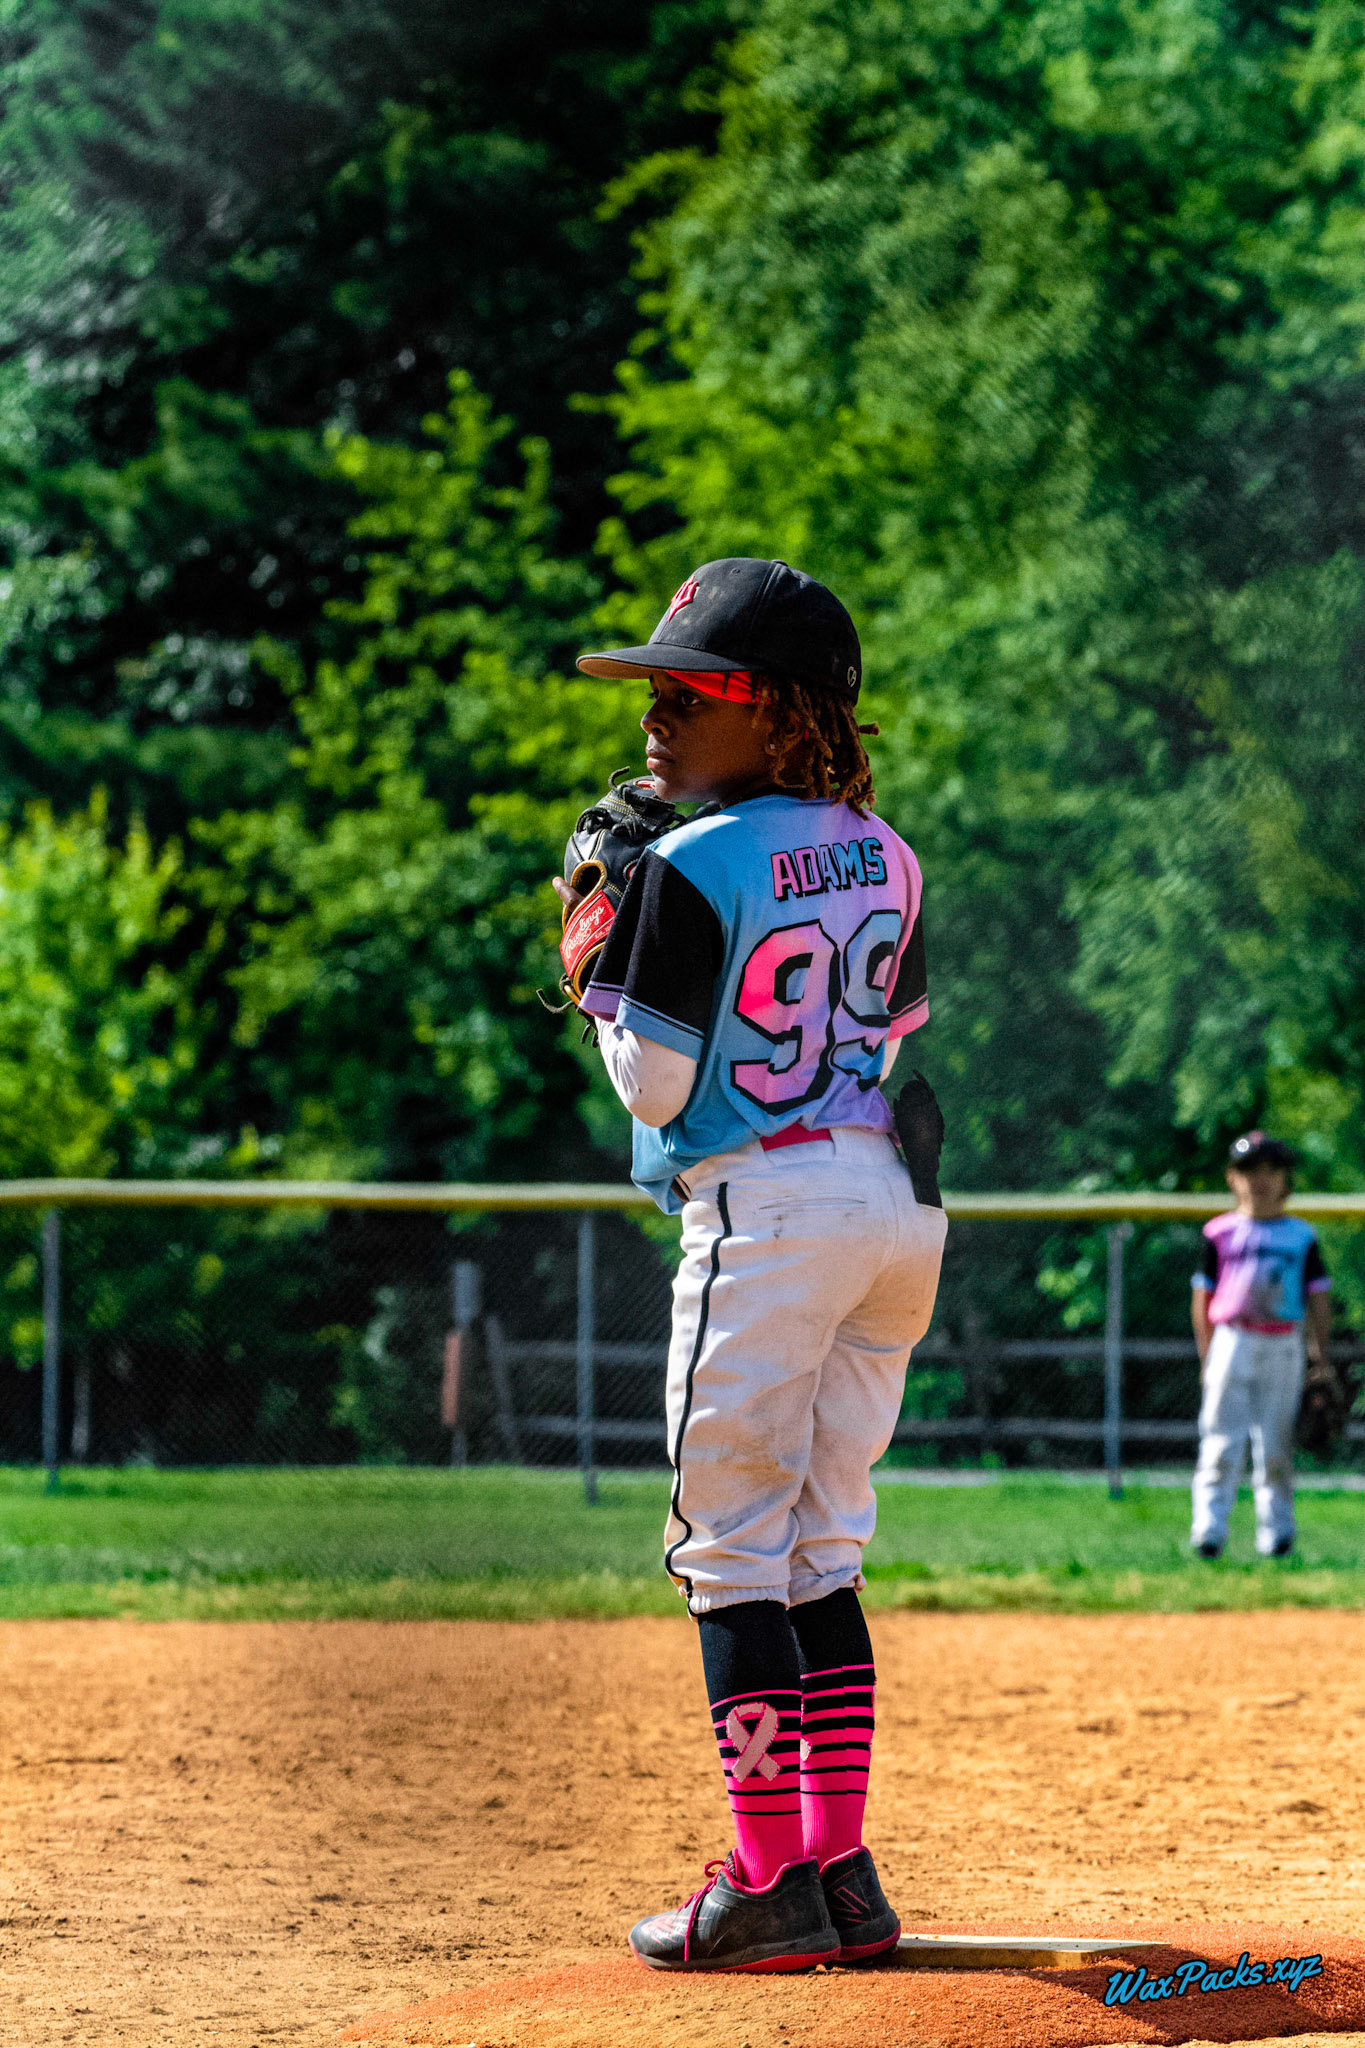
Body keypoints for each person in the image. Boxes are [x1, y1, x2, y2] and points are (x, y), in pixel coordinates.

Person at [555, 557, 946, 1973]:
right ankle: (840, 1873)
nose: (656, 715)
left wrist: (595, 956)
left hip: (767, 1215)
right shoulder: (889, 851)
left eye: (691, 690)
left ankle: (766, 1879)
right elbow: (892, 1036)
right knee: (819, 1551)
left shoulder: (684, 865)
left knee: (728, 1558)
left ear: (776, 709)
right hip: (891, 1208)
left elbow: (655, 1090)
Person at [1190, 1131, 1333, 1560]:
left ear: (1286, 1178)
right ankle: (1209, 1530)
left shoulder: (1300, 1235)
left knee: (1277, 1443)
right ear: (1233, 1179)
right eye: (1250, 1170)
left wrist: (1319, 1356)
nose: (1261, 1179)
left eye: (1272, 1169)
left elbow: (1319, 1298)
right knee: (1220, 1441)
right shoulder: (1219, 1233)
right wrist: (1207, 1353)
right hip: (1232, 1338)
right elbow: (1203, 1300)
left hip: (1283, 1342)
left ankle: (1277, 1534)